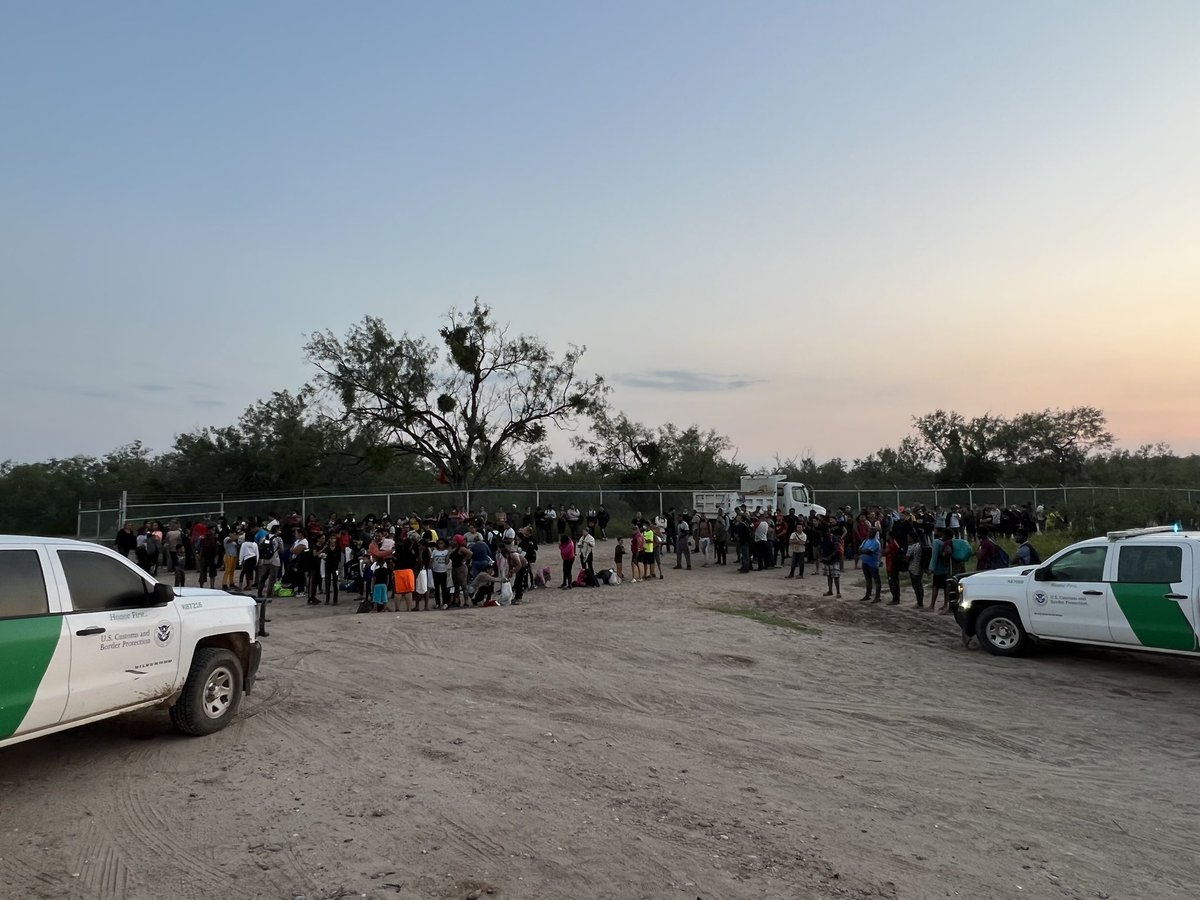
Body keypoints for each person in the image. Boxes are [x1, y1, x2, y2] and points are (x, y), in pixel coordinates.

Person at [858, 528, 882, 603]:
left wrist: (863, 551)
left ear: (875, 533)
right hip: (865, 562)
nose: (870, 533)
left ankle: (877, 597)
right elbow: (859, 550)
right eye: (870, 532)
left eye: (872, 532)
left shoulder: (876, 542)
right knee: (868, 580)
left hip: (873, 563)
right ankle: (867, 595)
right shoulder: (866, 540)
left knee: (876, 580)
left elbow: (868, 551)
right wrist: (864, 551)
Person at [821, 529, 843, 598]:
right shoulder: (824, 538)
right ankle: (830, 591)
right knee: (829, 576)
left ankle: (838, 592)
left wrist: (828, 557)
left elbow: (836, 550)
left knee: (836, 577)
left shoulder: (834, 538)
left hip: (834, 560)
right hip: (827, 560)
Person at [906, 536, 925, 608]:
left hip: (913, 567)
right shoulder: (920, 545)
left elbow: (907, 558)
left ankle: (919, 602)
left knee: (916, 586)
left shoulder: (911, 547)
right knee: (920, 585)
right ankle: (920, 602)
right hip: (919, 567)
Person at [883, 532, 902, 605]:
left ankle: (895, 599)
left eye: (887, 535)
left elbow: (884, 553)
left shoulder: (891, 545)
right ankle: (896, 598)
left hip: (891, 565)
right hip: (893, 565)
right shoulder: (894, 543)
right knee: (895, 582)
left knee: (893, 583)